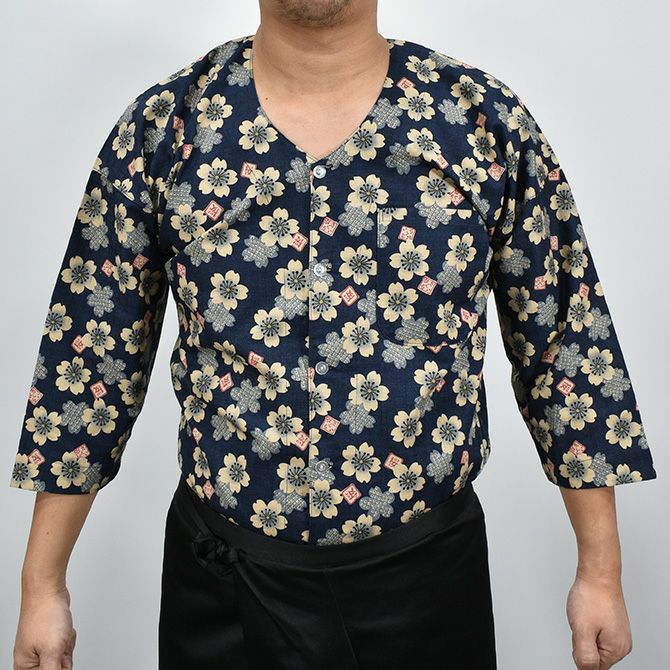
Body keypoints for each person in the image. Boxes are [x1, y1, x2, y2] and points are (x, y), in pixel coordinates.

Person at [10, 1, 658, 669]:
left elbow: (564, 344)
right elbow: (91, 359)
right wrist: (42, 586)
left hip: (426, 583)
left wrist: (600, 572)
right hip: (226, 588)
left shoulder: (479, 122)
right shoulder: (166, 127)